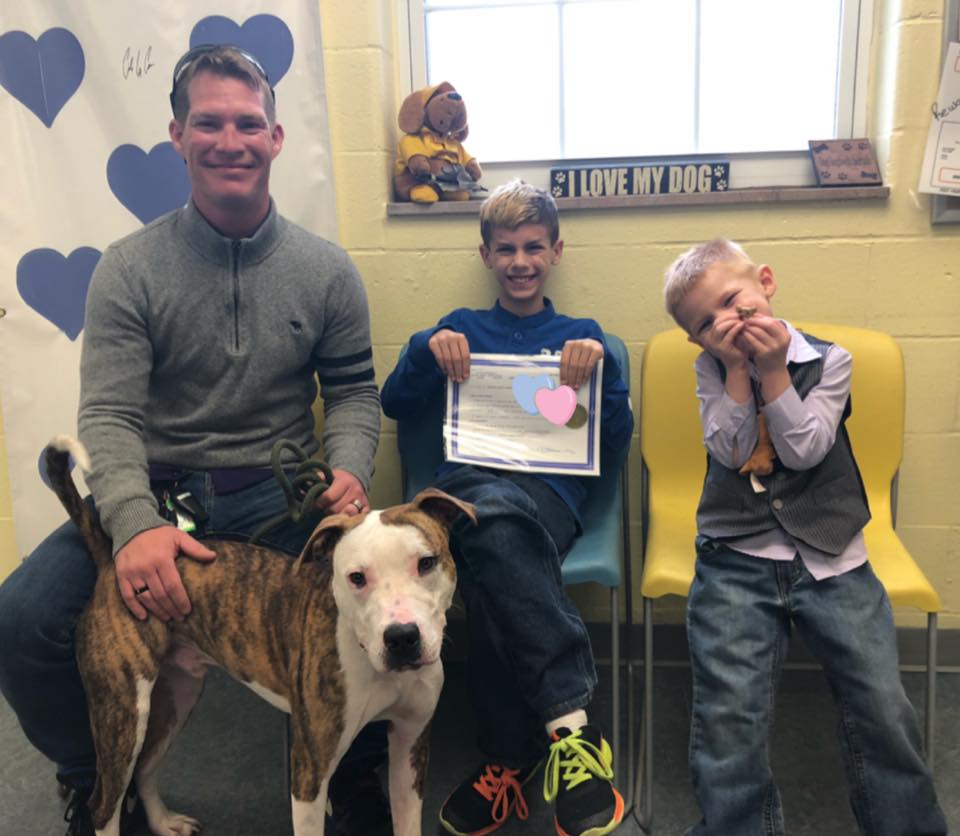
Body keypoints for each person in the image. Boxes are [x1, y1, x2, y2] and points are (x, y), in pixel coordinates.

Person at [0, 45, 390, 836]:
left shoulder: (328, 272)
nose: (230, 140)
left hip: (282, 500)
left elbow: (352, 395)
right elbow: (108, 418)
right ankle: (97, 781)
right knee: (24, 621)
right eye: (208, 122)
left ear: (277, 138)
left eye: (249, 123)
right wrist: (136, 524)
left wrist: (349, 471)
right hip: (157, 499)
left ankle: (354, 782)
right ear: (177, 135)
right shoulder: (129, 269)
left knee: (374, 610)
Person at [663, 238, 946, 836]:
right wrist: (739, 372)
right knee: (728, 717)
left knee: (881, 707)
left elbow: (806, 448)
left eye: (732, 302)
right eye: (705, 323)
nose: (724, 323)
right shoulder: (708, 368)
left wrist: (772, 372)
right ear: (696, 339)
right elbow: (733, 451)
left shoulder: (830, 358)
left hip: (832, 553)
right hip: (736, 557)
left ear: (765, 283)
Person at [381, 180, 633, 836]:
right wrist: (423, 348)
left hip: (550, 496)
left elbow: (614, 438)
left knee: (497, 553)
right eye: (506, 249)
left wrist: (602, 372)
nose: (520, 260)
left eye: (533, 247)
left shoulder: (581, 335)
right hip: (462, 488)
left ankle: (506, 758)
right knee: (489, 521)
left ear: (555, 250)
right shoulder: (460, 329)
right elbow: (394, 404)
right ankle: (570, 731)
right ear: (487, 254)